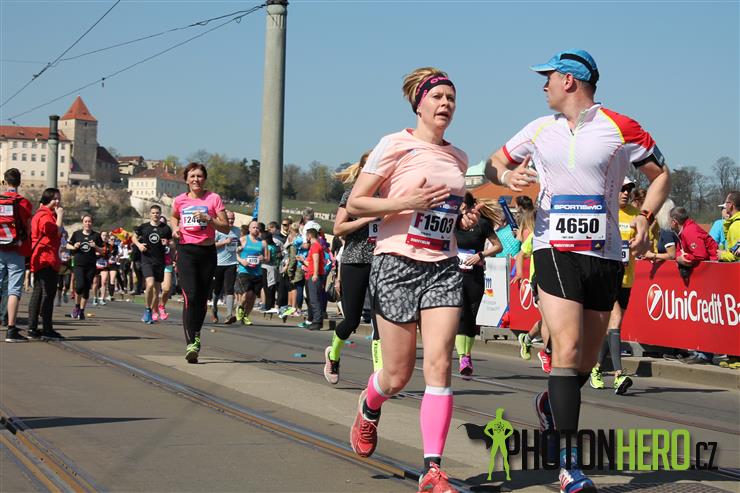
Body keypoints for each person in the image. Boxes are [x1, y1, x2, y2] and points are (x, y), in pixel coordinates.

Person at [484, 50, 670, 492]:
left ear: (570, 80)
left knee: (584, 362)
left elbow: (662, 175)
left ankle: (551, 404)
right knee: (565, 349)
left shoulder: (621, 127)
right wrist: (506, 177)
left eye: (548, 76)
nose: (543, 84)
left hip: (604, 254)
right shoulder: (539, 128)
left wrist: (645, 218)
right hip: (554, 248)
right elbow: (494, 161)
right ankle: (569, 464)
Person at [346, 66, 480, 492]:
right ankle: (370, 404)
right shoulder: (394, 144)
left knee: (440, 363)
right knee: (397, 375)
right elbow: (357, 203)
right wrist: (408, 201)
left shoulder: (459, 157)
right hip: (397, 264)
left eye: (451, 98)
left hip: (442, 265)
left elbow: (444, 209)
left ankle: (433, 469)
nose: (446, 104)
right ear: (418, 104)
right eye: (437, 97)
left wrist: (458, 218)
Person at [324, 152, 382, 384]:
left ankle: (379, 376)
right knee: (352, 321)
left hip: (382, 261)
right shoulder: (351, 195)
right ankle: (333, 355)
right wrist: (366, 219)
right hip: (355, 260)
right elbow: (338, 229)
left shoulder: (387, 196)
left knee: (381, 321)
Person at [171, 162, 229, 364]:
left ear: (204, 179)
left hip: (207, 252)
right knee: (191, 295)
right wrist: (175, 229)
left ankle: (196, 333)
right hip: (186, 251)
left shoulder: (214, 198)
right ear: (186, 180)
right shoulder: (180, 200)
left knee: (202, 298)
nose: (196, 179)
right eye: (192, 176)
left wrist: (209, 219)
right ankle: (191, 344)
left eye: (199, 176)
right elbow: (174, 217)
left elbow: (226, 227)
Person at [589, 178, 639, 395]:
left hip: (627, 278)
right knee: (615, 321)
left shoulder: (636, 215)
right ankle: (619, 374)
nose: (626, 193)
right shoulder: (605, 211)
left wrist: (636, 247)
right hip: (608, 276)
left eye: (629, 190)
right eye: (622, 189)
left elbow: (643, 244)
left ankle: (596, 368)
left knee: (611, 329)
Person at [454, 193, 502, 375]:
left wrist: (480, 255)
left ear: (469, 206)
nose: (461, 210)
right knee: (462, 314)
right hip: (456, 275)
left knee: (471, 316)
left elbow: (498, 246)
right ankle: (462, 357)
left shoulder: (482, 224)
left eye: (463, 206)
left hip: (475, 276)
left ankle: (467, 354)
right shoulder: (453, 223)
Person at [27, 188, 65, 340]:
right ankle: (46, 328)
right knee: (48, 294)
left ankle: (33, 327)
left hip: (43, 258)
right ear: (47, 199)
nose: (58, 201)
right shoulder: (44, 215)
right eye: (55, 198)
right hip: (46, 259)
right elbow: (54, 232)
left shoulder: (43, 214)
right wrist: (60, 216)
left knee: (39, 293)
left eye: (59, 198)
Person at [0, 168, 33, 342]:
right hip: (16, 249)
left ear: (4, 182)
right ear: (19, 183)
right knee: (13, 290)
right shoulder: (24, 203)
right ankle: (11, 330)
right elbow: (28, 228)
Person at [133, 205, 172, 324]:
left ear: (160, 214)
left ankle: (150, 309)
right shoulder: (144, 227)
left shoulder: (166, 228)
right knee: (149, 284)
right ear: (150, 214)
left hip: (160, 261)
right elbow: (133, 237)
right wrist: (139, 245)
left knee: (156, 290)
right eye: (153, 213)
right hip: (147, 260)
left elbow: (172, 243)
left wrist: (168, 243)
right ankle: (147, 310)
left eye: (157, 213)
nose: (155, 215)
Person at [68, 215, 104, 320]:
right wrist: (74, 246)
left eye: (89, 221)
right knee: (79, 286)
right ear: (82, 223)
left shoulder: (96, 235)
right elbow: (67, 245)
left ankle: (82, 311)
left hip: (91, 265)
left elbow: (103, 251)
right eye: (86, 221)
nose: (88, 223)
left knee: (86, 289)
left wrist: (95, 246)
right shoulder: (77, 234)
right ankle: (77, 307)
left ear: (92, 223)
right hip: (79, 264)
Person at [235, 220, 268, 326]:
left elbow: (267, 258)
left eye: (257, 228)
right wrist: (241, 261)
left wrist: (263, 258)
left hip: (257, 272)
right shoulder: (243, 240)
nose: (256, 229)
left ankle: (246, 316)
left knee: (253, 297)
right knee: (246, 294)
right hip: (244, 271)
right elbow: (235, 254)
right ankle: (240, 307)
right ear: (249, 229)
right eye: (253, 227)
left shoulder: (263, 243)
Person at [211, 210, 240, 324]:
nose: (231, 221)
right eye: (229, 219)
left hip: (231, 263)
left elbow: (238, 243)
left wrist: (239, 248)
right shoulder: (217, 230)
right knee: (217, 288)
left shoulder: (237, 230)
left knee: (229, 288)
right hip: (218, 263)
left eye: (233, 218)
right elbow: (211, 245)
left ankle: (229, 315)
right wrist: (224, 242)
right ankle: (214, 309)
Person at [718, 191, 740, 262]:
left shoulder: (736, 226)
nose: (725, 205)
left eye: (726, 203)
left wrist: (721, 255)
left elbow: (736, 256)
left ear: (730, 205)